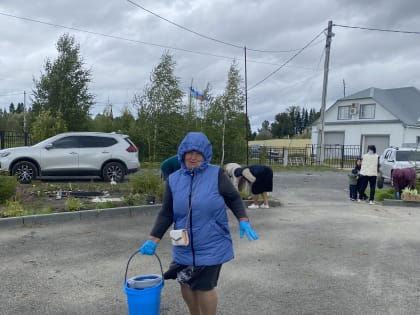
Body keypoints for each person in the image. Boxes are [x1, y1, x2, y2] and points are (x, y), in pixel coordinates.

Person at [139, 132, 258, 315]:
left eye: (198, 153)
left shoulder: (216, 174)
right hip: (183, 243)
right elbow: (166, 213)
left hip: (212, 242)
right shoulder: (174, 179)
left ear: (205, 155)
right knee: (185, 281)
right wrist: (153, 239)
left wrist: (243, 220)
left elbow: (233, 198)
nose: (193, 157)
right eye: (189, 152)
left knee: (204, 286)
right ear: (182, 153)